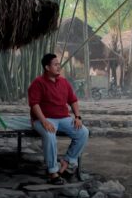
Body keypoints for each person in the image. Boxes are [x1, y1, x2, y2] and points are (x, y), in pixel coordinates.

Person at [28, 53, 89, 185]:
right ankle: (53, 172)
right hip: (42, 119)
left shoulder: (64, 82)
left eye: (59, 64)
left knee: (83, 132)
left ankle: (67, 161)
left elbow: (73, 100)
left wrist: (77, 116)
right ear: (47, 67)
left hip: (63, 118)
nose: (58, 67)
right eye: (55, 64)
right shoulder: (38, 83)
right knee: (50, 135)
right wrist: (44, 121)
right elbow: (34, 104)